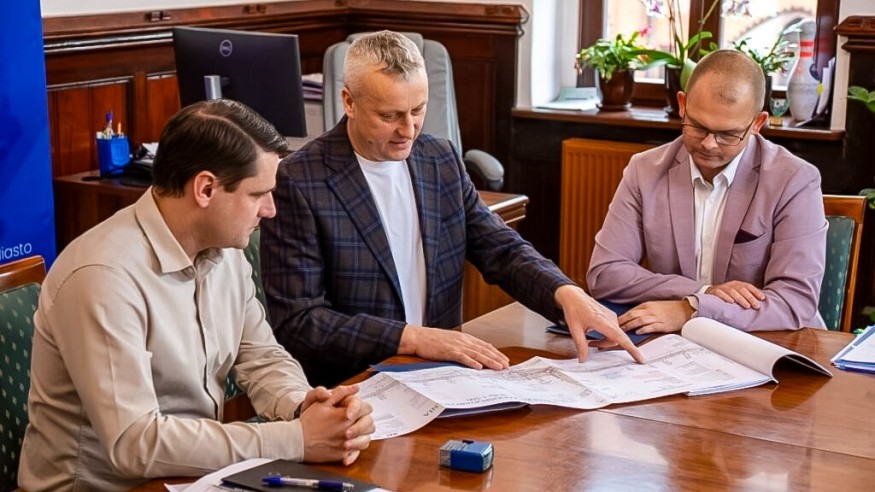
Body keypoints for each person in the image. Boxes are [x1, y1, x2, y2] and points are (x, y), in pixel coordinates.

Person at [18, 100, 374, 491]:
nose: (270, 210)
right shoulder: (102, 277)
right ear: (205, 189)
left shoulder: (225, 250)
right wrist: (296, 439)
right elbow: (134, 443)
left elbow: (260, 356)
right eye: (258, 194)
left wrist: (305, 405)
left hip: (192, 476)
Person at [260, 30, 643, 387]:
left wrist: (566, 293)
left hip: (442, 378)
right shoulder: (299, 181)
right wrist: (412, 338)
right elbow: (300, 321)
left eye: (418, 109)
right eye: (390, 116)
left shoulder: (438, 158)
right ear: (349, 102)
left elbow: (501, 249)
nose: (408, 129)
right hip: (355, 383)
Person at [586, 49, 827, 335]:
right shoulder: (645, 170)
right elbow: (605, 273)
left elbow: (794, 302)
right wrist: (702, 292)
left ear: (757, 124)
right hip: (676, 343)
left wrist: (692, 309)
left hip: (769, 341)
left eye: (728, 134)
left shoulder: (795, 180)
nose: (709, 144)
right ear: (682, 105)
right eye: (698, 127)